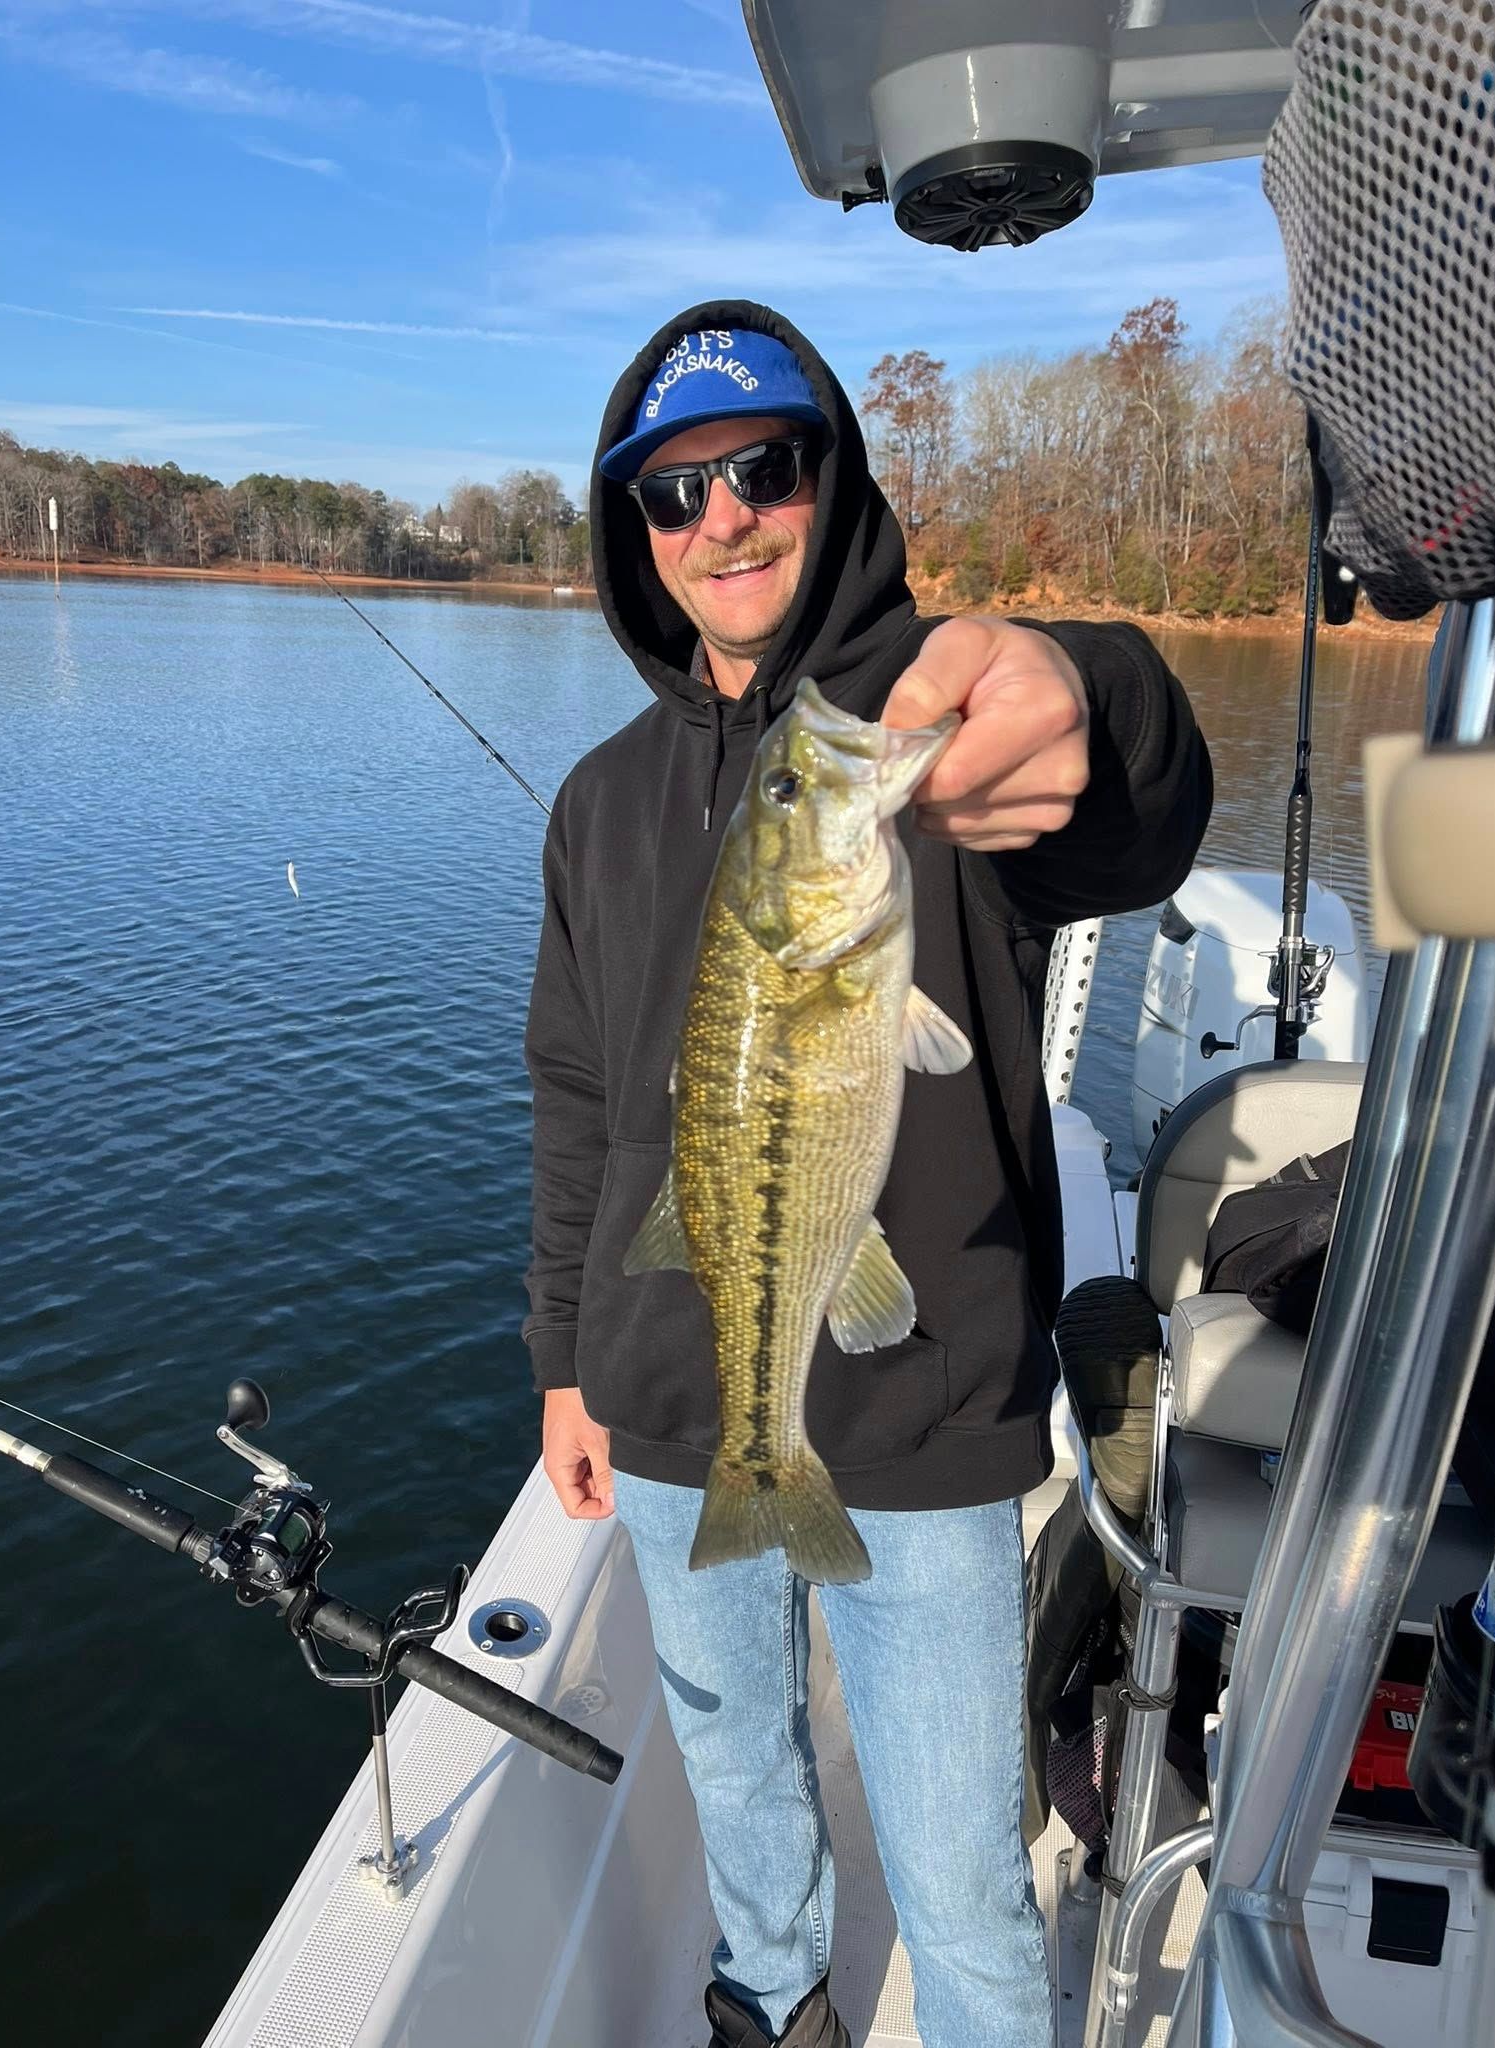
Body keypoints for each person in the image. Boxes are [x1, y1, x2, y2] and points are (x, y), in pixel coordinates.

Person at [524, 302, 1213, 2048]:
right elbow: (578, 1100)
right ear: (633, 533)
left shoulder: (928, 740)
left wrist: (1092, 693)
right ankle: (775, 2019)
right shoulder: (598, 803)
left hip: (926, 1413)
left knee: (966, 1883)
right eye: (672, 495)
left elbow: (1133, 797)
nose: (724, 520)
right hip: (674, 1408)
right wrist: (565, 1360)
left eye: (762, 469)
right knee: (742, 1809)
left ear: (829, 479)